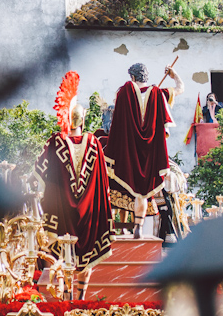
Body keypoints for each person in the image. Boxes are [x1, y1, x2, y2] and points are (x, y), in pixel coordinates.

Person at [33, 71, 113, 269]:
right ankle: (82, 295)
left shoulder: (55, 142)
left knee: (60, 258)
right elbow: (103, 180)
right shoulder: (94, 143)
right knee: (87, 262)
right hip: (91, 215)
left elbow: (39, 172)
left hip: (61, 215)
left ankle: (64, 296)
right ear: (83, 120)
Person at [102, 62, 184, 238]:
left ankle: (112, 225)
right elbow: (180, 88)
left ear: (132, 77)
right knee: (143, 192)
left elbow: (116, 123)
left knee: (113, 178)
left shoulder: (123, 93)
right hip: (151, 154)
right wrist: (173, 74)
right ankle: (138, 225)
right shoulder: (158, 94)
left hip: (129, 152)